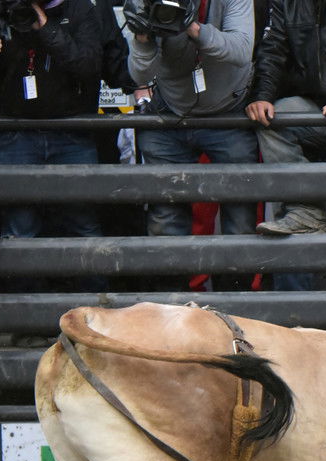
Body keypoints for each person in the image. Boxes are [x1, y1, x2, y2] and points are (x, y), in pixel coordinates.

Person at [0, 0, 106, 291]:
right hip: (14, 133)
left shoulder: (79, 8)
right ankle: (23, 315)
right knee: (20, 230)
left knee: (83, 226)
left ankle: (95, 311)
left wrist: (46, 27)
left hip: (71, 132)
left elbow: (89, 66)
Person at [126, 0, 258, 265]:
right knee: (166, 218)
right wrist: (142, 39)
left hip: (228, 111)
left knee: (240, 217)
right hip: (170, 113)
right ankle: (171, 290)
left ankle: (235, 290)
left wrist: (191, 27)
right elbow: (140, 73)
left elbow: (242, 49)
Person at [246, 0, 326, 237]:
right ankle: (305, 211)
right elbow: (272, 48)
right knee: (273, 116)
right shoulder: (285, 2)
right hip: (314, 109)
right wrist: (262, 96)